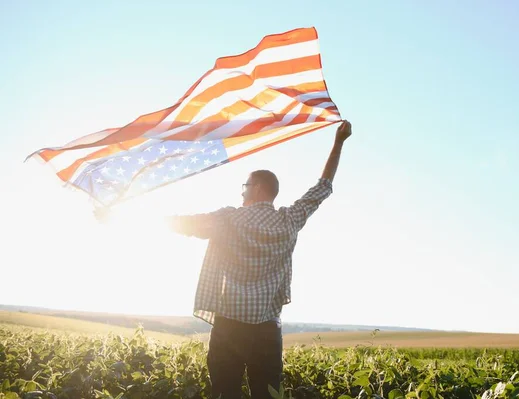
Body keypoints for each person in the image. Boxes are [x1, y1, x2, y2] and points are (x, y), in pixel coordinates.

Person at [97, 120, 352, 398]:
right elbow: (323, 186)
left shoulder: (227, 219)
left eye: (245, 185)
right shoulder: (290, 220)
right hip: (267, 332)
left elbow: (178, 223)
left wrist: (119, 217)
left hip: (228, 328)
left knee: (224, 393)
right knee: (267, 395)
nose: (241, 191)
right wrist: (338, 142)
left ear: (256, 188)